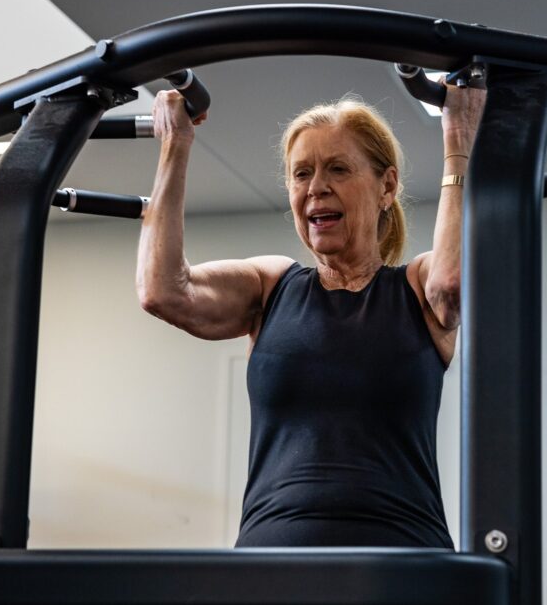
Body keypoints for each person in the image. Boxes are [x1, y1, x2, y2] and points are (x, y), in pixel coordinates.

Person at [136, 82, 486, 548]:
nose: (316, 187)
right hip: (272, 571)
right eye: (301, 174)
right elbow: (163, 290)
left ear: (387, 186)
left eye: (337, 169)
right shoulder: (271, 285)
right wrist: (175, 146)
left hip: (402, 568)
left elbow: (454, 283)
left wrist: (459, 139)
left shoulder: (418, 288)